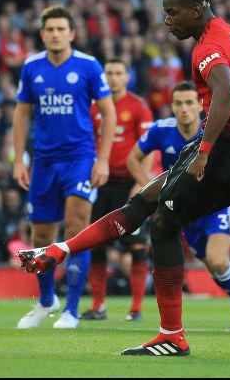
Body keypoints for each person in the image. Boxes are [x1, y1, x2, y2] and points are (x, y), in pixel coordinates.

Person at [17, 0, 230, 355]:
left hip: (229, 150)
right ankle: (60, 249)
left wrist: (203, 151)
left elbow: (227, 92)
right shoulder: (227, 33)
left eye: (172, 13)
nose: (167, 21)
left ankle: (172, 335)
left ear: (197, 8)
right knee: (144, 201)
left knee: (164, 226)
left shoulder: (208, 46)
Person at [12, 5, 116, 329]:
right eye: (50, 29)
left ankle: (71, 310)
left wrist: (102, 159)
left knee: (75, 229)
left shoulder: (88, 66)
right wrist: (19, 159)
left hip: (80, 158)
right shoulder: (31, 68)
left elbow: (108, 113)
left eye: (61, 29)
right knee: (41, 233)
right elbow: (21, 114)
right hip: (43, 161)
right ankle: (46, 302)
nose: (55, 34)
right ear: (43, 34)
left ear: (71, 33)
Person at [126, 81, 230, 330]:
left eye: (189, 103)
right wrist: (152, 192)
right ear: (172, 106)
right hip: (184, 212)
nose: (184, 109)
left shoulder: (214, 131)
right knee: (212, 266)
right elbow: (133, 159)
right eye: (178, 103)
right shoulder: (160, 130)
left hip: (215, 205)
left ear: (200, 105)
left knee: (218, 260)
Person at [82, 59, 153, 322]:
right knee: (96, 245)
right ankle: (98, 306)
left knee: (136, 247)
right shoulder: (94, 108)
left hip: (128, 185)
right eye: (108, 73)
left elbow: (148, 146)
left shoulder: (138, 107)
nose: (112, 78)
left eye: (118, 73)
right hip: (100, 184)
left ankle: (136, 309)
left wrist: (140, 182)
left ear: (127, 77)